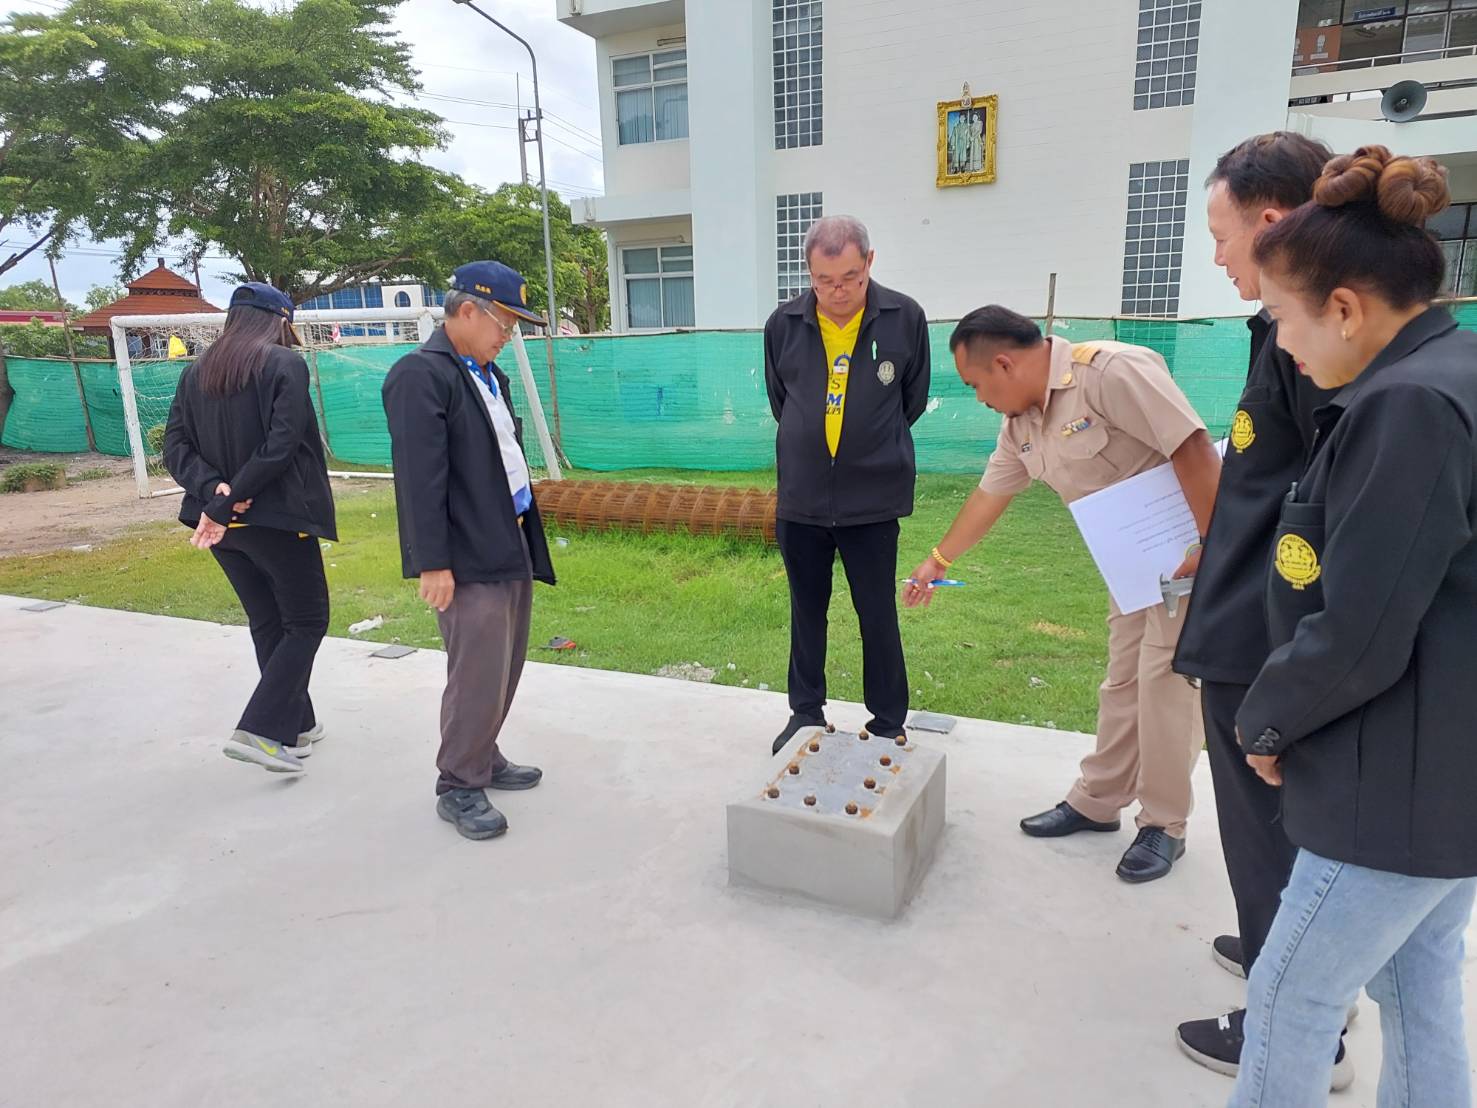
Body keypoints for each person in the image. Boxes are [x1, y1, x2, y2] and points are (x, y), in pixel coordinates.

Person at [1229, 147, 1477, 1106]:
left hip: (1395, 786)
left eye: (1282, 317)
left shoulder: (1405, 404)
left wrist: (1267, 721)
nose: (1282, 344)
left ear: (1341, 308)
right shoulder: (1453, 369)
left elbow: (1361, 628)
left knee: (1290, 996)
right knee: (1419, 987)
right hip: (1443, 771)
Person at [905, 306, 1221, 883]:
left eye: (976, 384)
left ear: (1005, 364)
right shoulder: (1021, 425)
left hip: (1184, 557)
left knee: (1165, 685)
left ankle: (1164, 824)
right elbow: (989, 496)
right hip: (1130, 569)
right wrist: (937, 560)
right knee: (1122, 680)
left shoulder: (1111, 373)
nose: (978, 398)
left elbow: (1191, 446)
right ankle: (1099, 801)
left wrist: (1212, 541)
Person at [1169, 134, 1351, 1087]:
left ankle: (1295, 1027)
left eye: (1220, 236)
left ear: (1272, 223)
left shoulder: (1315, 338)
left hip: (1264, 637)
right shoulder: (1283, 328)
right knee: (1265, 839)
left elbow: (1328, 506)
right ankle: (1274, 949)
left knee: (1267, 833)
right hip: (1245, 608)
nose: (1215, 257)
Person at [382, 261, 556, 841]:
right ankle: (458, 782)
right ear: (465, 312)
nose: (509, 334)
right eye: (504, 323)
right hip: (464, 549)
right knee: (476, 667)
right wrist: (432, 562)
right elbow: (419, 478)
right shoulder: (421, 376)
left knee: (505, 661)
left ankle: (483, 753)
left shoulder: (487, 374)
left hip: (507, 536)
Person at [762, 215, 931, 755]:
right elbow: (782, 402)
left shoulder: (904, 318)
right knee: (806, 611)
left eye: (850, 278)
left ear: (869, 263)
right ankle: (805, 714)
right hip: (803, 499)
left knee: (876, 612)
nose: (838, 291)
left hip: (873, 500)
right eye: (824, 281)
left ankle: (887, 721)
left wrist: (865, 442)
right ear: (809, 273)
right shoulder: (783, 324)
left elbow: (910, 401)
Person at [162, 282, 336, 774]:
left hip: (223, 526)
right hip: (276, 518)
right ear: (279, 321)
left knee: (269, 621)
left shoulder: (196, 371)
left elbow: (174, 447)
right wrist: (229, 498)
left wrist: (216, 494)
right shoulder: (284, 364)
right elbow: (282, 446)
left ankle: (295, 725)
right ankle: (260, 730)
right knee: (307, 621)